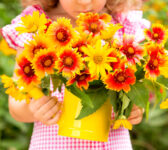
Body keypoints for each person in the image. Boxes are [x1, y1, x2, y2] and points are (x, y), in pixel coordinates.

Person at [1, 0, 150, 149]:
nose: (84, 2)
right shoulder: (36, 25)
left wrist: (133, 108)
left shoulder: (121, 25)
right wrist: (35, 109)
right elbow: (17, 103)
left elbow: (135, 85)